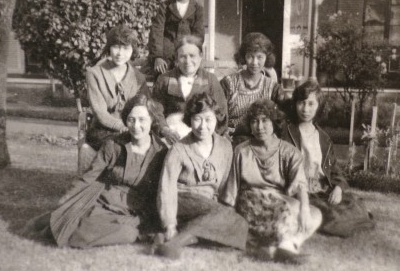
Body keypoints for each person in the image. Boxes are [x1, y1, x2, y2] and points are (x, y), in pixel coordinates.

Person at [28, 95, 168, 248]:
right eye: (131, 119)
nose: (136, 126)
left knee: (128, 233)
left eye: (142, 120)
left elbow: (162, 189)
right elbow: (90, 176)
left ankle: (65, 227)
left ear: (152, 120)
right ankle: (56, 222)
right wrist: (66, 199)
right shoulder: (113, 144)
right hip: (104, 198)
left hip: (134, 209)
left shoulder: (160, 151)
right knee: (76, 220)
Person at [221, 99, 322, 264]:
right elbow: (231, 190)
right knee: (289, 212)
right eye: (254, 121)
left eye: (264, 120)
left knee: (314, 214)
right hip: (250, 203)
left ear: (275, 122)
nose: (259, 127)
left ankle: (285, 246)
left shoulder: (290, 152)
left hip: (280, 202)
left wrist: (304, 209)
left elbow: (300, 184)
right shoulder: (241, 151)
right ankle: (277, 245)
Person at [155, 92, 248, 259]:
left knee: (240, 223)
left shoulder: (225, 146)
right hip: (182, 200)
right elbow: (166, 187)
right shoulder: (179, 149)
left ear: (216, 120)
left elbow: (226, 183)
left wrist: (225, 208)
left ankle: (177, 238)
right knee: (225, 217)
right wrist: (169, 224)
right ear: (189, 120)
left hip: (209, 206)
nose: (202, 126)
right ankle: (175, 241)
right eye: (197, 119)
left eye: (208, 120)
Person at [282, 80, 375, 237]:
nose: (305, 109)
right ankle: (332, 220)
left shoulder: (323, 138)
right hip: (298, 190)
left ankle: (345, 217)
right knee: (327, 213)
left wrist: (338, 188)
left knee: (351, 201)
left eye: (311, 104)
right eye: (301, 103)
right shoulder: (286, 132)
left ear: (319, 106)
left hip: (320, 189)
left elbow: (334, 170)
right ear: (295, 104)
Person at [85, 25, 166, 151]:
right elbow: (100, 113)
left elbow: (149, 107)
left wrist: (162, 129)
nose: (120, 53)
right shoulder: (94, 74)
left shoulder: (138, 77)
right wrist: (126, 127)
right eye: (116, 47)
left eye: (125, 48)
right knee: (123, 148)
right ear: (109, 48)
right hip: (103, 131)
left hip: (134, 128)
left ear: (132, 50)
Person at [152, 34, 227, 141]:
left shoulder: (210, 80)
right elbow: (155, 110)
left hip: (203, 134)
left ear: (201, 56)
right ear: (176, 58)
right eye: (183, 56)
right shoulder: (164, 79)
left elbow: (221, 113)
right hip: (171, 135)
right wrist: (164, 129)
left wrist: (208, 135)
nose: (188, 61)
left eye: (192, 56)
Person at [221, 32, 284, 145]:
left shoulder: (273, 88)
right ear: (244, 56)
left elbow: (280, 121)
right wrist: (223, 132)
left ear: (267, 58)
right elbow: (218, 114)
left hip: (262, 142)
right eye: (250, 56)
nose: (254, 62)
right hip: (231, 141)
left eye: (260, 57)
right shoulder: (228, 83)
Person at [148, 0, 204, 76]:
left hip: (187, 54)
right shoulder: (165, 6)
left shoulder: (197, 9)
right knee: (162, 81)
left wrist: (191, 55)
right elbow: (157, 31)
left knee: (190, 82)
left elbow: (198, 35)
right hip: (166, 57)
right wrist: (157, 56)